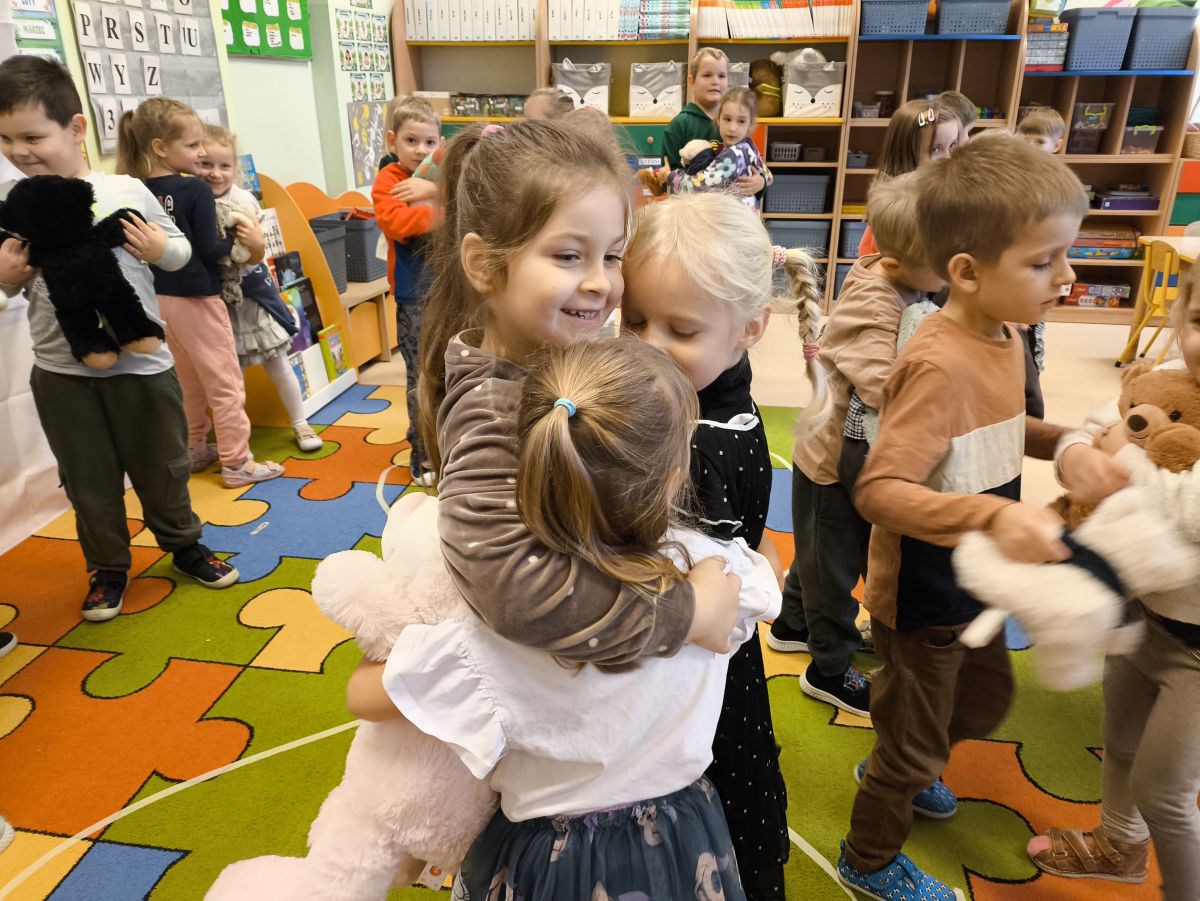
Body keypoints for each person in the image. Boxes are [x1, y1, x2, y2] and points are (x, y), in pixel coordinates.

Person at [349, 338, 780, 899]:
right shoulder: (718, 576)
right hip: (684, 838)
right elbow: (771, 578)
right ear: (677, 475)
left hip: (550, 862)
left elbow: (365, 696)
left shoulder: (505, 625)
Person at [837, 133, 1088, 901]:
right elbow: (879, 490)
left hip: (977, 577)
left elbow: (1003, 428)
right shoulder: (939, 363)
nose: (1068, 277)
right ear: (969, 273)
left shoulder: (1005, 334)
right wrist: (989, 518)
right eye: (1044, 262)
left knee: (985, 700)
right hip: (924, 596)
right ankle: (868, 855)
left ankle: (900, 751)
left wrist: (1069, 443)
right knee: (916, 744)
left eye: (1067, 255)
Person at [414, 118, 741, 667]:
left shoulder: (556, 358)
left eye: (611, 256)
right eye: (569, 256)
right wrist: (688, 614)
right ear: (484, 265)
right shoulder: (491, 409)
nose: (600, 283)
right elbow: (516, 593)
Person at [622, 192, 823, 900]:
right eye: (633, 320)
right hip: (715, 651)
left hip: (699, 669)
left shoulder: (698, 447)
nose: (647, 345)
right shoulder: (717, 393)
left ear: (750, 328)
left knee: (712, 811)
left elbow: (687, 593)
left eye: (679, 329)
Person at [0, 58, 239, 621]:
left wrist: (161, 250)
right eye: (6, 139)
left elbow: (180, 250)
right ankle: (107, 567)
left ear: (76, 128)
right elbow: (8, 286)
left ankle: (183, 543)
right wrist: (6, 281)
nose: (19, 151)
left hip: (142, 365)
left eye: (33, 136)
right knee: (87, 478)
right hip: (62, 372)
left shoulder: (123, 189)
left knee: (164, 465)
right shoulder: (15, 205)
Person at [1027, 268, 1200, 899]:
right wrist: (1077, 454)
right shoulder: (1168, 378)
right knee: (1120, 742)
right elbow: (1092, 429)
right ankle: (1120, 846)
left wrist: (1122, 453)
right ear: (1179, 320)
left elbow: (1191, 509)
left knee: (1166, 790)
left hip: (1197, 654)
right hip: (1143, 617)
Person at [768, 172, 945, 720]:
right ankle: (828, 668)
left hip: (846, 456)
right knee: (833, 574)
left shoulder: (906, 282)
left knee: (820, 558)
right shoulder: (874, 298)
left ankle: (792, 626)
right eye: (942, 264)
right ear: (898, 259)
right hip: (830, 463)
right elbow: (880, 383)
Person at [117, 98, 283, 489]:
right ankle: (237, 462)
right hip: (198, 299)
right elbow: (210, 250)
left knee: (188, 381)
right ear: (160, 147)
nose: (201, 152)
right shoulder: (195, 190)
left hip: (159, 299)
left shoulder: (137, 188)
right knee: (225, 383)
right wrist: (238, 244)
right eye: (192, 146)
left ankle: (195, 448)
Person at [198, 125, 321, 454]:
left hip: (251, 295)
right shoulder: (193, 199)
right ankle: (236, 440)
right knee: (229, 376)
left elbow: (252, 250)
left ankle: (301, 422)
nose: (215, 173)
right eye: (206, 164)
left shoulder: (242, 199)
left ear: (235, 168)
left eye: (224, 165)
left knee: (278, 363)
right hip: (216, 301)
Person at [372, 96, 441, 486]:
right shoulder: (390, 180)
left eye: (429, 142)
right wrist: (442, 209)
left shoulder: (439, 177)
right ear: (392, 140)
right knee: (421, 378)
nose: (420, 150)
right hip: (416, 296)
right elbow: (400, 225)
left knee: (448, 372)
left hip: (448, 290)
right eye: (411, 141)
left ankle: (447, 448)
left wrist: (432, 193)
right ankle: (423, 456)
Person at [857, 100, 958, 257]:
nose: (948, 157)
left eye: (952, 146)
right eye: (936, 149)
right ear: (906, 153)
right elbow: (870, 259)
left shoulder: (948, 194)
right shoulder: (896, 209)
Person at [663, 47, 765, 200]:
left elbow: (756, 166)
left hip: (732, 208)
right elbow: (667, 176)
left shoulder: (738, 122)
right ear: (692, 81)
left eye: (721, 76)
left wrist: (761, 182)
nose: (715, 81)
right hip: (693, 206)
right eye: (707, 75)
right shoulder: (679, 125)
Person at [665, 86, 774, 209]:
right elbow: (769, 175)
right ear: (718, 119)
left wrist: (671, 177)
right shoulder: (748, 146)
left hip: (732, 218)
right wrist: (762, 181)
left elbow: (699, 186)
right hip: (746, 215)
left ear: (750, 125)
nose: (732, 128)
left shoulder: (732, 155)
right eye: (727, 119)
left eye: (741, 121)